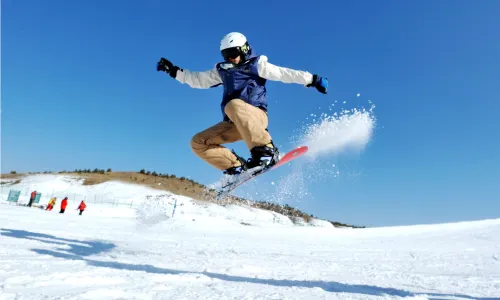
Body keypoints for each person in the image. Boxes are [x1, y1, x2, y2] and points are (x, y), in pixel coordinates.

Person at [156, 32, 328, 177]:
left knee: (232, 105)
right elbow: (198, 80)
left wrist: (312, 79)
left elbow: (284, 73)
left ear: (244, 50)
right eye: (226, 55)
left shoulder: (256, 65)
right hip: (234, 123)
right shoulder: (223, 71)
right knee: (198, 142)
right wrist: (174, 71)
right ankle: (237, 167)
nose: (230, 58)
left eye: (233, 53)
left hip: (256, 118)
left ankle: (266, 151)